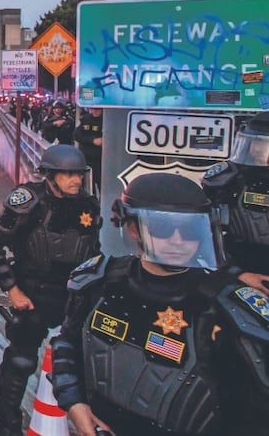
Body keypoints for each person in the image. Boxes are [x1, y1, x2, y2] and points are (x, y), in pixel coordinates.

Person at [52, 173, 269, 436]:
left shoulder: (226, 309)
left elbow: (256, 410)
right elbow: (66, 343)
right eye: (164, 228)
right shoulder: (98, 282)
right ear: (134, 228)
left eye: (188, 230)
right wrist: (73, 402)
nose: (177, 240)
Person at [0, 143, 101, 436]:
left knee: (80, 365)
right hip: (33, 295)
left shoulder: (88, 204)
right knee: (20, 363)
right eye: (67, 174)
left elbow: (93, 251)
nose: (75, 180)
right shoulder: (29, 201)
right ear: (50, 175)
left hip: (73, 297)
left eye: (78, 174)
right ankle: (8, 426)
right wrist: (12, 290)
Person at [202, 111, 269, 288]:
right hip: (237, 275)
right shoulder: (225, 182)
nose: (260, 150)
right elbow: (202, 235)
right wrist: (236, 273)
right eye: (258, 144)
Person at [73, 106, 103, 193]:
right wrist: (92, 140)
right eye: (93, 109)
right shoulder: (86, 119)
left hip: (102, 160)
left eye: (97, 109)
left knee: (102, 186)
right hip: (87, 158)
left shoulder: (107, 120)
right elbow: (76, 135)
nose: (95, 111)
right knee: (88, 186)